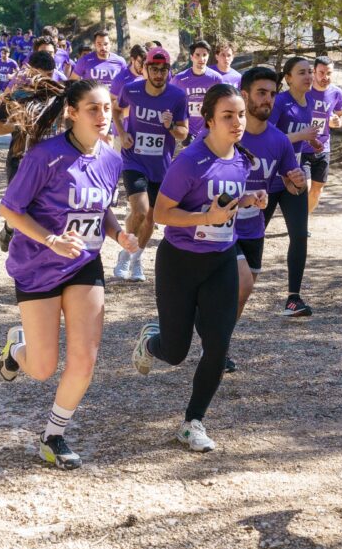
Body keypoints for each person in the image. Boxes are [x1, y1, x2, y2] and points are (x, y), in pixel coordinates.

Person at [0, 79, 140, 470]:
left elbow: (101, 208)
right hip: (37, 265)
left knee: (85, 359)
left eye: (108, 108)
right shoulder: (45, 156)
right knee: (42, 368)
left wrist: (117, 233)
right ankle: (17, 347)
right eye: (93, 109)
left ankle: (53, 435)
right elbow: (9, 210)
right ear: (71, 113)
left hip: (83, 263)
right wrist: (51, 240)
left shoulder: (111, 158)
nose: (103, 116)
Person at [132, 84, 266, 453]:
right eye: (228, 115)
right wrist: (204, 217)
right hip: (180, 263)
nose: (237, 122)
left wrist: (248, 199)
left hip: (221, 260)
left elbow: (224, 203)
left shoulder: (241, 159)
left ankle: (193, 422)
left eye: (241, 114)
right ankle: (150, 340)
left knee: (218, 346)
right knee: (175, 352)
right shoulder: (190, 161)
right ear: (207, 120)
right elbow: (162, 214)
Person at [228, 66, 306, 370]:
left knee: (241, 295)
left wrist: (296, 181)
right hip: (221, 226)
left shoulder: (279, 141)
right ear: (244, 95)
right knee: (242, 284)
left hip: (253, 227)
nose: (268, 100)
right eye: (261, 93)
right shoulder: (228, 132)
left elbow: (291, 184)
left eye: (272, 94)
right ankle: (214, 345)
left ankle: (218, 343)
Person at [112, 47, 189, 282]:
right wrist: (122, 132)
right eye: (153, 69)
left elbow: (183, 134)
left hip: (161, 166)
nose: (158, 74)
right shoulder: (132, 89)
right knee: (141, 210)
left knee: (152, 218)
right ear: (145, 69)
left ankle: (136, 260)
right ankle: (126, 254)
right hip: (134, 160)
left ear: (168, 71)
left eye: (163, 70)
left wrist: (170, 127)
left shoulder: (177, 96)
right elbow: (116, 109)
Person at [0, 51, 62, 251]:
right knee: (17, 209)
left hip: (51, 164)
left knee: (43, 211)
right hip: (20, 160)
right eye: (39, 76)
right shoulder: (17, 96)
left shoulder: (60, 97)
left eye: (49, 76)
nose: (44, 82)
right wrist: (19, 124)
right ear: (29, 73)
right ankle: (9, 228)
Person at [266, 56, 320, 317]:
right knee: (251, 235)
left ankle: (293, 298)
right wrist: (301, 135)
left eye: (310, 72)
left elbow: (297, 143)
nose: (309, 76)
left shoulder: (308, 102)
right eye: (302, 72)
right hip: (267, 176)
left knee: (299, 235)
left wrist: (312, 144)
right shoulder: (280, 102)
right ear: (288, 77)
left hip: (294, 175)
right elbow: (268, 137)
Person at [303, 56, 342, 213]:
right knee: (305, 188)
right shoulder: (304, 90)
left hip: (323, 148)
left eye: (329, 73)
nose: (325, 77)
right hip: (302, 147)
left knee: (316, 190)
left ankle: (303, 221)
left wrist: (338, 122)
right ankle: (297, 220)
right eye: (321, 73)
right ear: (314, 72)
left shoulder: (336, 93)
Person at [172, 40, 223, 142]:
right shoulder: (179, 79)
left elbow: (221, 102)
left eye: (205, 55)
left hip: (209, 127)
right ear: (191, 57)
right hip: (188, 128)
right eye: (198, 55)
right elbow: (170, 97)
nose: (201, 58)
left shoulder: (216, 78)